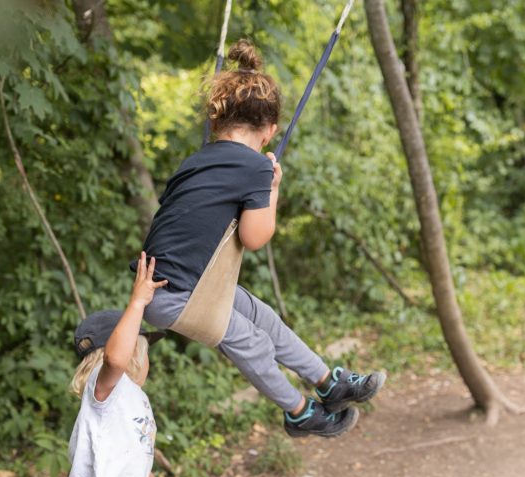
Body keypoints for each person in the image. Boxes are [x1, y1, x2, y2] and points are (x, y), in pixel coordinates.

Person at [136, 39, 385, 438]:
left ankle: (328, 382)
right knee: (250, 340)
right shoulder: (254, 167)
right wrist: (272, 188)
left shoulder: (196, 160)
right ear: (269, 132)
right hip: (177, 294)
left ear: (216, 123)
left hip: (171, 284)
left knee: (261, 317)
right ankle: (299, 412)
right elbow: (254, 236)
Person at [57, 253, 172, 477]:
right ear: (130, 352)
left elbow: (128, 447)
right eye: (144, 347)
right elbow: (115, 360)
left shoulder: (133, 397)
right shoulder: (104, 389)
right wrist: (137, 301)